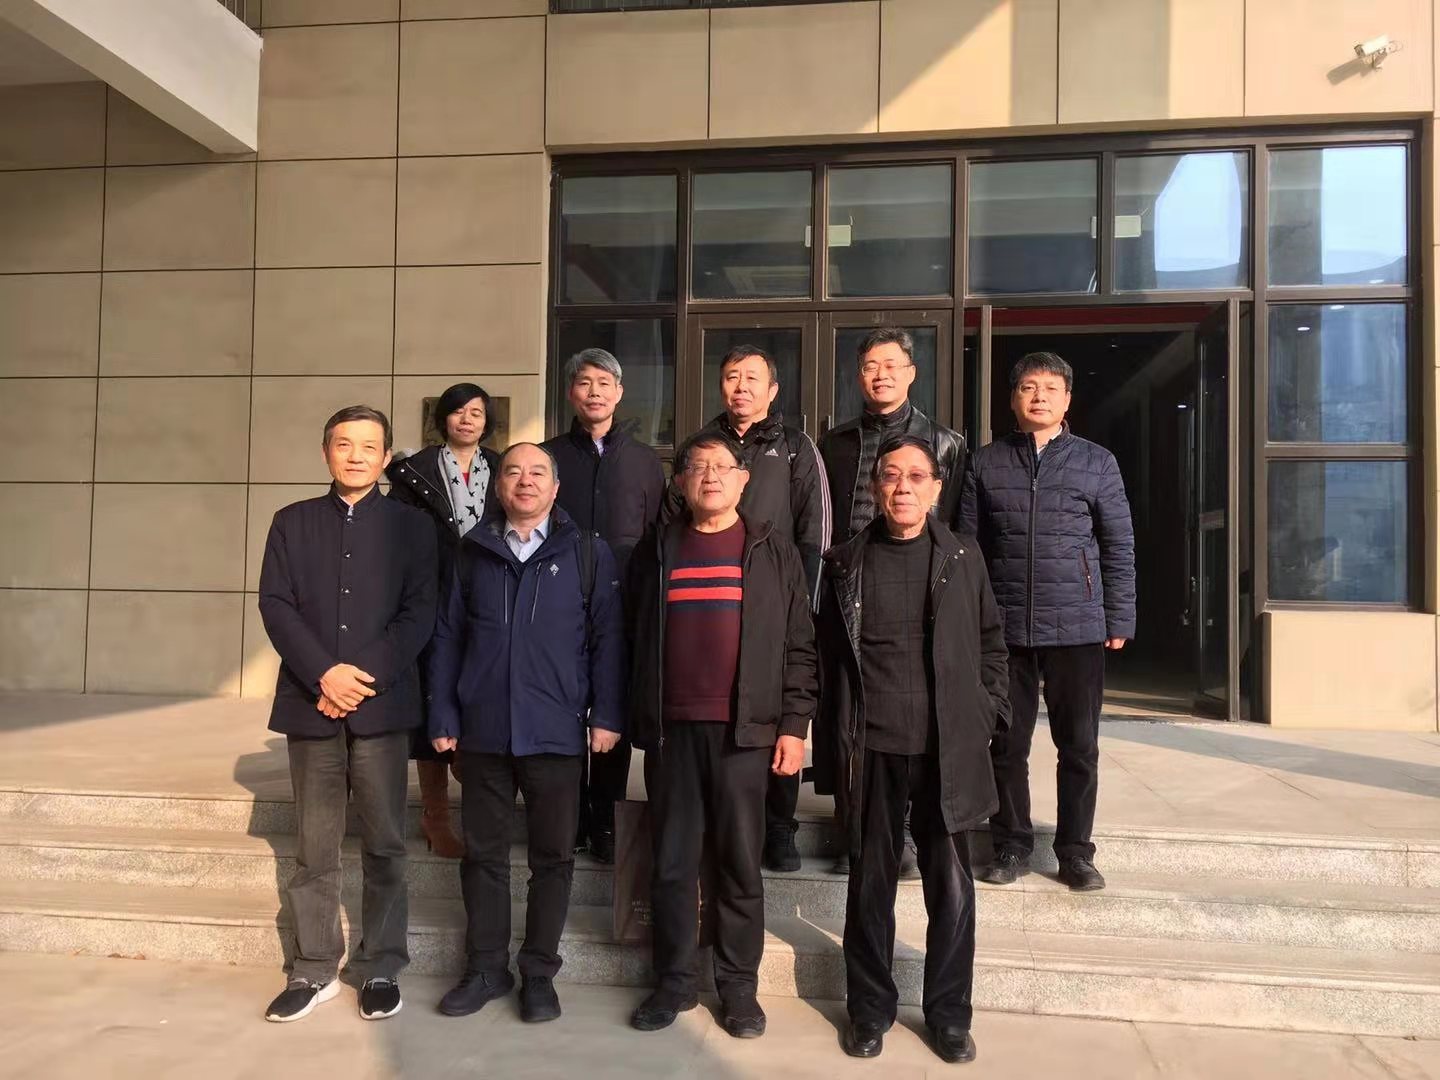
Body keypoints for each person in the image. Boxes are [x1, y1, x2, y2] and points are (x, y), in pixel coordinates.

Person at [814, 435, 1008, 1063]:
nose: (903, 487)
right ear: (875, 487)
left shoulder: (962, 556)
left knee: (949, 888)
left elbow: (992, 643)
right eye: (891, 476)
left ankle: (949, 1015)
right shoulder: (844, 562)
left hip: (945, 747)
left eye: (916, 477)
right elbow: (826, 659)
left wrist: (988, 712)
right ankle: (869, 1011)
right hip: (871, 747)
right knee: (870, 884)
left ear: (936, 488)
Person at [627, 430, 818, 1038]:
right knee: (672, 863)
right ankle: (674, 982)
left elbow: (799, 646)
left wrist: (794, 725)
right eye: (697, 467)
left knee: (739, 863)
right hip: (672, 732)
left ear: (743, 479)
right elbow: (632, 635)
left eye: (721, 466)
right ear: (682, 481)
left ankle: (738, 988)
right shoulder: (658, 548)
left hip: (746, 734)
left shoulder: (771, 549)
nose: (709, 476)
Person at [427, 442, 626, 1024]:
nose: (525, 480)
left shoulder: (586, 552)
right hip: (484, 731)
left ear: (555, 488)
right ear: (498, 485)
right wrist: (443, 715)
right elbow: (447, 637)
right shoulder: (472, 550)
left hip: (555, 732)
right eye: (513, 471)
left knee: (553, 859)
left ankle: (539, 973)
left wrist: (608, 714)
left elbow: (608, 639)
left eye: (538, 472)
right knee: (483, 856)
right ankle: (486, 968)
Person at [258, 405, 438, 1024]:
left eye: (368, 447)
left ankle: (380, 963)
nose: (356, 456)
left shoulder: (413, 527)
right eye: (343, 444)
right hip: (311, 704)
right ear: (326, 452)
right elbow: (276, 604)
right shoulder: (292, 522)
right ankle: (313, 968)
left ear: (385, 457)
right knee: (315, 847)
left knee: (385, 842)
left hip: (381, 708)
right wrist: (323, 674)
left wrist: (358, 680)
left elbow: (419, 612)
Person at [960, 352, 1136, 893]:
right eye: (1028, 387)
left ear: (1067, 399)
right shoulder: (985, 463)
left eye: (1050, 388)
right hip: (1004, 629)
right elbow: (967, 548)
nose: (1039, 396)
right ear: (1013, 398)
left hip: (1077, 626)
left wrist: (1119, 615)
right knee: (1005, 744)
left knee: (1078, 746)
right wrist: (968, 619)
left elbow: (1118, 543)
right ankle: (1011, 844)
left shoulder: (1097, 462)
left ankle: (1076, 852)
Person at [664, 344, 829, 874]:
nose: (741, 387)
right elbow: (671, 520)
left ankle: (779, 827)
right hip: (710, 597)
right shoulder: (699, 447)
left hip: (775, 602)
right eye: (732, 377)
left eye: (752, 378)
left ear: (772, 390)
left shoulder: (797, 447)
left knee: (773, 718)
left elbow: (815, 532)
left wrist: (803, 604)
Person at [819, 326, 967, 877]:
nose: (880, 375)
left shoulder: (945, 443)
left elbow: (954, 527)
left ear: (911, 373)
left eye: (890, 365)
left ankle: (904, 827)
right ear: (859, 376)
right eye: (869, 366)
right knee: (845, 712)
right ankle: (852, 825)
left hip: (916, 586)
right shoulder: (834, 444)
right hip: (848, 591)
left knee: (908, 712)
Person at [543, 348, 666, 864]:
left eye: (603, 383)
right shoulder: (548, 456)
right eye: (584, 382)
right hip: (558, 602)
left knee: (612, 708)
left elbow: (658, 533)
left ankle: (606, 819)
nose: (594, 391)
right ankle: (569, 816)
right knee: (564, 709)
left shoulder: (644, 461)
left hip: (622, 603)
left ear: (619, 393)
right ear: (571, 393)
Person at [386, 383, 501, 860]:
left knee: (480, 697)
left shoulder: (502, 467)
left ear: (487, 421)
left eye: (476, 412)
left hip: (489, 598)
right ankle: (435, 815)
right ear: (443, 419)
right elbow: (397, 539)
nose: (467, 419)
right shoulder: (415, 472)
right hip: (433, 597)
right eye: (458, 411)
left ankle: (476, 802)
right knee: (434, 697)